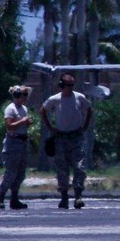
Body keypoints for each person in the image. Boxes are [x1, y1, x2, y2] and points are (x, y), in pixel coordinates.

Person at [41, 73, 92, 209]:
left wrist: (84, 128)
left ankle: (78, 196)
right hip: (61, 138)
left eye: (72, 85)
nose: (70, 88)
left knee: (79, 167)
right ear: (61, 85)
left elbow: (89, 110)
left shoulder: (79, 97)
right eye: (67, 85)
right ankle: (64, 197)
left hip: (76, 138)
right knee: (62, 168)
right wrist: (51, 128)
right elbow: (43, 110)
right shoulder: (55, 99)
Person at [0, 85, 33, 210]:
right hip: (13, 143)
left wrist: (27, 123)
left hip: (22, 142)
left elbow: (23, 125)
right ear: (18, 96)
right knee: (11, 172)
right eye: (24, 95)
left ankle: (14, 199)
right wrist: (22, 121)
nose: (25, 98)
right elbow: (9, 125)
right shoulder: (10, 109)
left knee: (20, 173)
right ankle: (1, 198)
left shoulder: (23, 108)